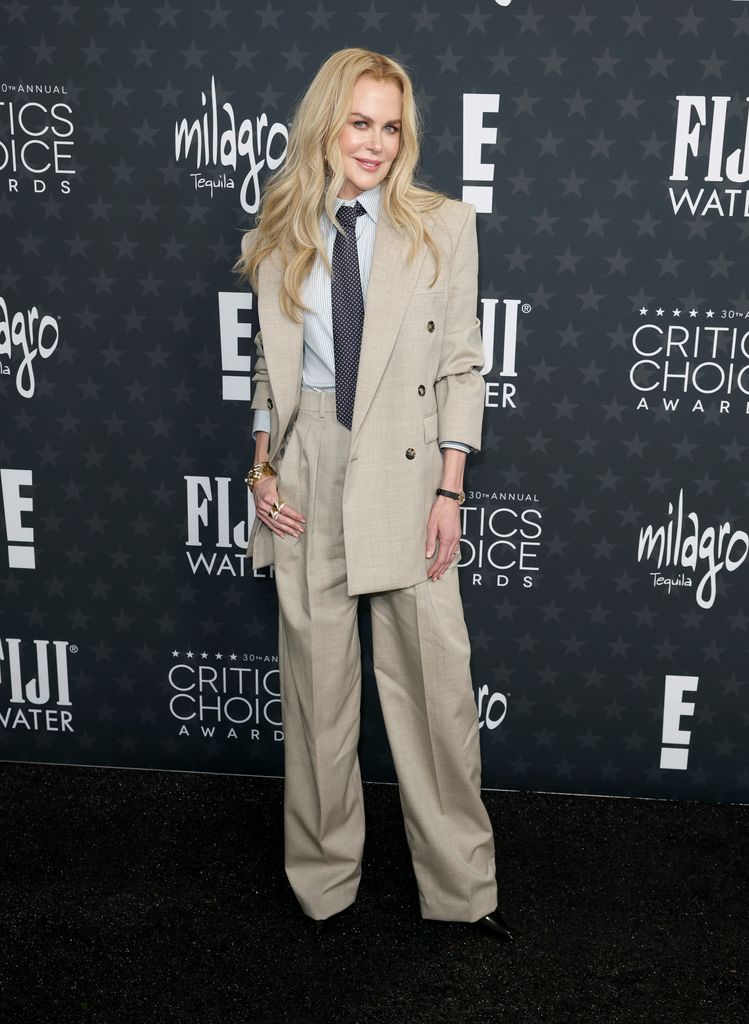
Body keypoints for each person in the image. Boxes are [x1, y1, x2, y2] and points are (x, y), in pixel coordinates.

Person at [234, 47, 513, 942]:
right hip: (308, 461)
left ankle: (461, 892)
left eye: (391, 127)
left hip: (405, 464)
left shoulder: (444, 226)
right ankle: (322, 884)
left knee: (435, 693)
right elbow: (269, 379)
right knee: (316, 694)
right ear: (325, 123)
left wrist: (450, 489)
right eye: (360, 122)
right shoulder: (276, 232)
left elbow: (464, 366)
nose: (377, 143)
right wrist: (263, 469)